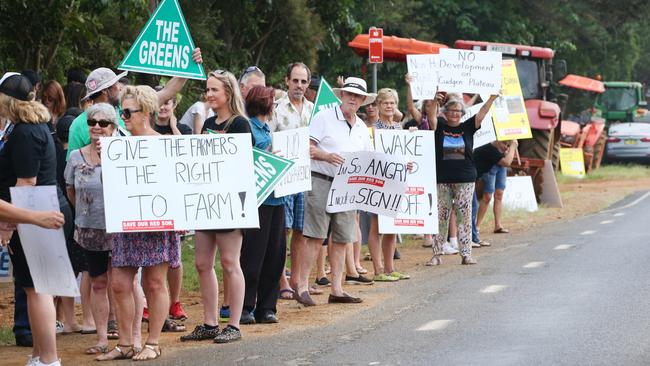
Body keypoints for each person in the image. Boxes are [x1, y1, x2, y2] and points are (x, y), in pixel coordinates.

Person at [98, 86, 180, 361]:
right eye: (121, 112)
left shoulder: (164, 144)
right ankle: (124, 344)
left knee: (154, 282)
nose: (123, 118)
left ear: (145, 112)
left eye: (128, 112)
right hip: (127, 222)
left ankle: (153, 342)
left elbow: (178, 186)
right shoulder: (118, 147)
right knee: (120, 282)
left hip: (157, 222)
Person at [0, 73, 73, 366]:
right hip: (37, 211)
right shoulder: (30, 127)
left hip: (38, 212)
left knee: (38, 288)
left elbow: (26, 183)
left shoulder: (25, 133)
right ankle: (38, 355)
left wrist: (8, 224)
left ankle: (49, 359)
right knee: (32, 288)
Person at [180, 70, 246, 343]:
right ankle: (209, 322)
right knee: (202, 263)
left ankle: (234, 324)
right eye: (207, 90)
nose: (209, 95)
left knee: (230, 262)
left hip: (230, 201)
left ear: (228, 93)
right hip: (206, 201)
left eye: (214, 90)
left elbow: (243, 163)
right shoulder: (207, 122)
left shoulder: (240, 123)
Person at [299, 77, 375, 305]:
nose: (352, 98)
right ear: (341, 95)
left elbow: (370, 158)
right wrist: (326, 156)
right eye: (349, 94)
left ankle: (337, 289)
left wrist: (400, 166)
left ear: (362, 100)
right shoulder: (323, 117)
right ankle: (302, 286)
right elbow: (307, 146)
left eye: (357, 96)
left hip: (348, 185)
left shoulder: (362, 127)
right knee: (316, 235)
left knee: (343, 237)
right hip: (322, 179)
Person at [66, 47, 202, 159]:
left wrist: (189, 66)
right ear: (105, 91)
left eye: (126, 114)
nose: (120, 86)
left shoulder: (130, 106)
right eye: (116, 84)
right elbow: (74, 166)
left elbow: (167, 91)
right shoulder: (78, 126)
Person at [64, 103, 117, 355]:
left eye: (103, 123)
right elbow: (70, 190)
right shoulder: (75, 156)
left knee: (123, 283)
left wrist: (109, 157)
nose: (96, 126)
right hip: (89, 230)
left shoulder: (124, 154)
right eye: (92, 122)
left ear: (114, 127)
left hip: (120, 230)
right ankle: (101, 338)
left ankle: (131, 337)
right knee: (98, 282)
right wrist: (85, 214)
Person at [425, 92, 498, 267]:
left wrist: (491, 99)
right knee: (440, 217)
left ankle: (466, 254)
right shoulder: (440, 127)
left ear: (462, 113)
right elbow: (431, 117)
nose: (455, 113)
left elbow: (482, 113)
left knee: (464, 216)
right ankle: (436, 254)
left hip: (465, 179)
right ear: (445, 112)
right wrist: (435, 101)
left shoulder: (468, 127)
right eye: (451, 110)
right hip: (443, 179)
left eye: (458, 111)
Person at [268, 63, 317, 300]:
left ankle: (297, 279)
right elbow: (268, 141)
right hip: (282, 177)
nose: (299, 85)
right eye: (295, 80)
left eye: (303, 81)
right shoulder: (276, 108)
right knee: (282, 230)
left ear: (308, 84)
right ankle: (282, 280)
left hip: (305, 177)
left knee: (301, 229)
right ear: (287, 80)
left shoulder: (313, 110)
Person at [239, 85, 287, 324]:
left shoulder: (268, 129)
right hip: (259, 201)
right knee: (252, 255)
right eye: (273, 102)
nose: (275, 106)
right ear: (265, 104)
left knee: (275, 255)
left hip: (278, 198)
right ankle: (246, 305)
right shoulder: (248, 128)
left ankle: (267, 307)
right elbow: (246, 160)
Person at [151, 86, 189, 322]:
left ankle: (175, 302)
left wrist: (174, 127)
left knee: (175, 256)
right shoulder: (145, 128)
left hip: (175, 199)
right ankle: (150, 303)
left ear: (174, 105)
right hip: (150, 199)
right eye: (161, 102)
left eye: (169, 102)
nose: (164, 106)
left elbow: (185, 155)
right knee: (151, 258)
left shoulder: (182, 130)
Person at [367, 88, 409, 282]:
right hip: (379, 181)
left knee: (392, 225)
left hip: (396, 181)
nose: (389, 106)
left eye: (392, 103)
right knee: (376, 226)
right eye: (385, 103)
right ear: (378, 105)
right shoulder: (373, 129)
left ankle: (390, 268)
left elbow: (404, 155)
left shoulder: (399, 128)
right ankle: (378, 269)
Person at [474, 139, 518, 245]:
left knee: (499, 194)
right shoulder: (490, 147)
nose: (506, 147)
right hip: (491, 166)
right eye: (504, 144)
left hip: (500, 165)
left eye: (508, 145)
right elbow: (507, 162)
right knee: (487, 196)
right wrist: (512, 147)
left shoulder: (504, 147)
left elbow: (507, 159)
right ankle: (477, 226)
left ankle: (498, 225)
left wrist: (509, 149)